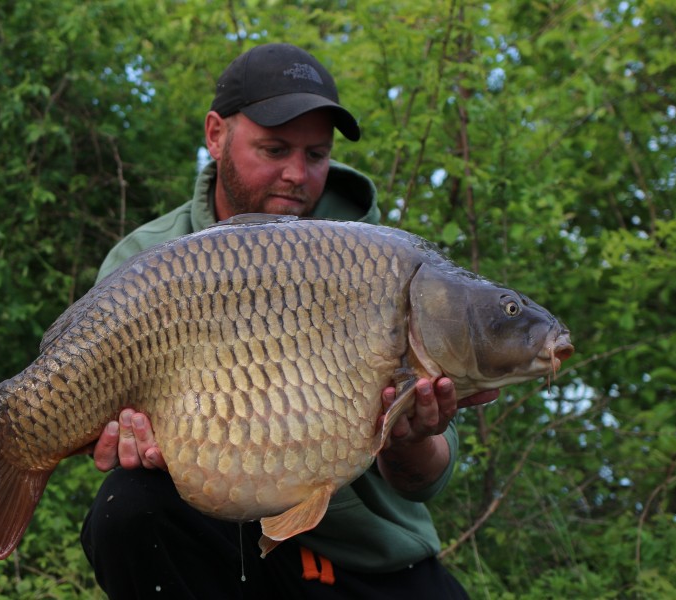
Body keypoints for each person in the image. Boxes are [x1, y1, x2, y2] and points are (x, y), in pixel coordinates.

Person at [80, 43, 499, 599]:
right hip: (219, 547)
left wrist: (411, 435)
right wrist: (120, 436)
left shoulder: (385, 266)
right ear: (215, 135)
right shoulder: (147, 261)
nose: (297, 174)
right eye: (274, 149)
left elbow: (425, 480)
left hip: (366, 559)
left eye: (317, 155)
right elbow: (114, 435)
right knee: (127, 508)